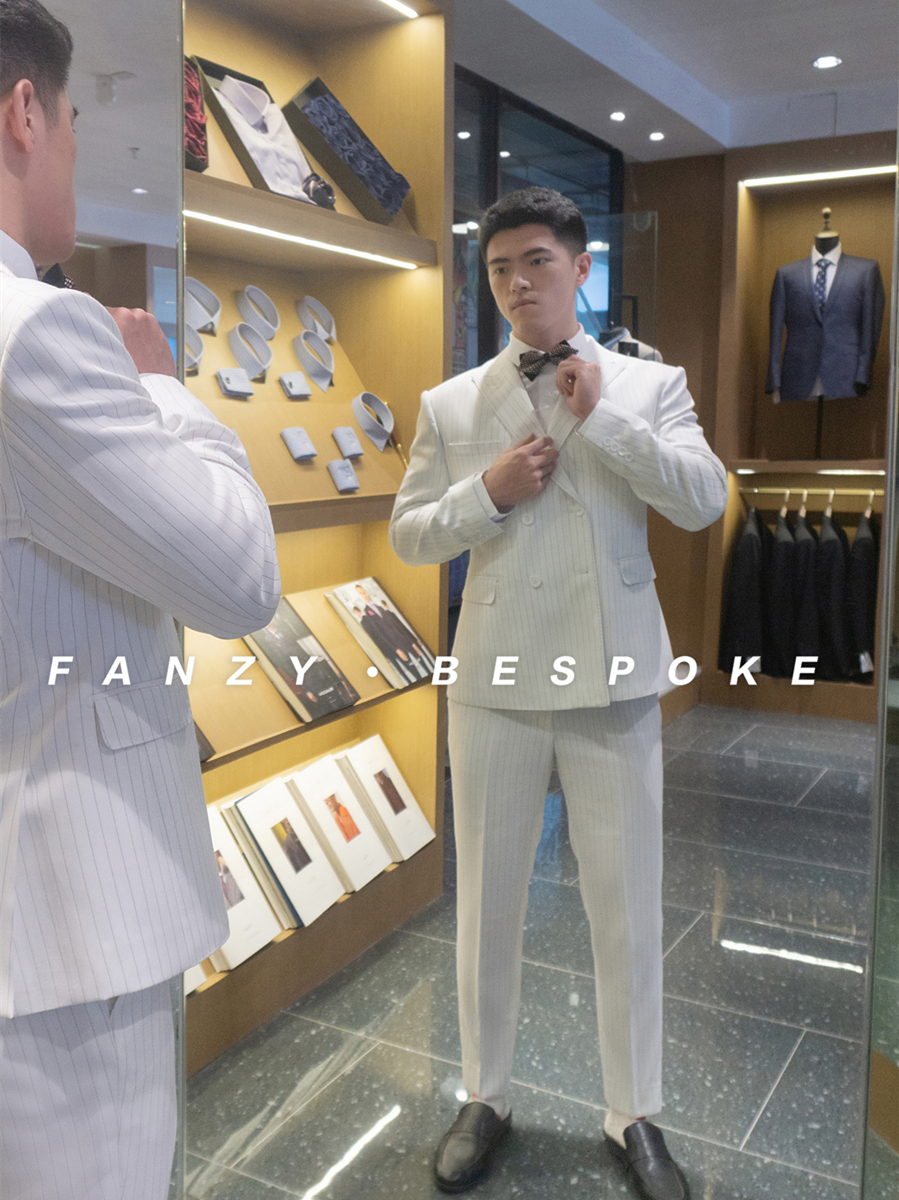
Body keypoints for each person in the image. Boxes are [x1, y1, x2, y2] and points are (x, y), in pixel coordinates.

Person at [389, 186, 727, 1200]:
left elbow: (702, 501)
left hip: (612, 673)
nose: (515, 282)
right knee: (487, 900)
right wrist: (484, 495)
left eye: (535, 261)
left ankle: (633, 1112)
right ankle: (484, 1095)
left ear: (580, 268)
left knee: (625, 904)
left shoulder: (649, 384)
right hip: (494, 676)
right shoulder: (451, 403)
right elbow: (409, 534)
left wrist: (603, 419)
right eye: (498, 267)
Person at [0, 2, 281, 1197]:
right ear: (25, 114)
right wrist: (166, 394)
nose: (71, 146)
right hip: (63, 931)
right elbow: (238, 578)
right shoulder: (32, 336)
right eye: (71, 120)